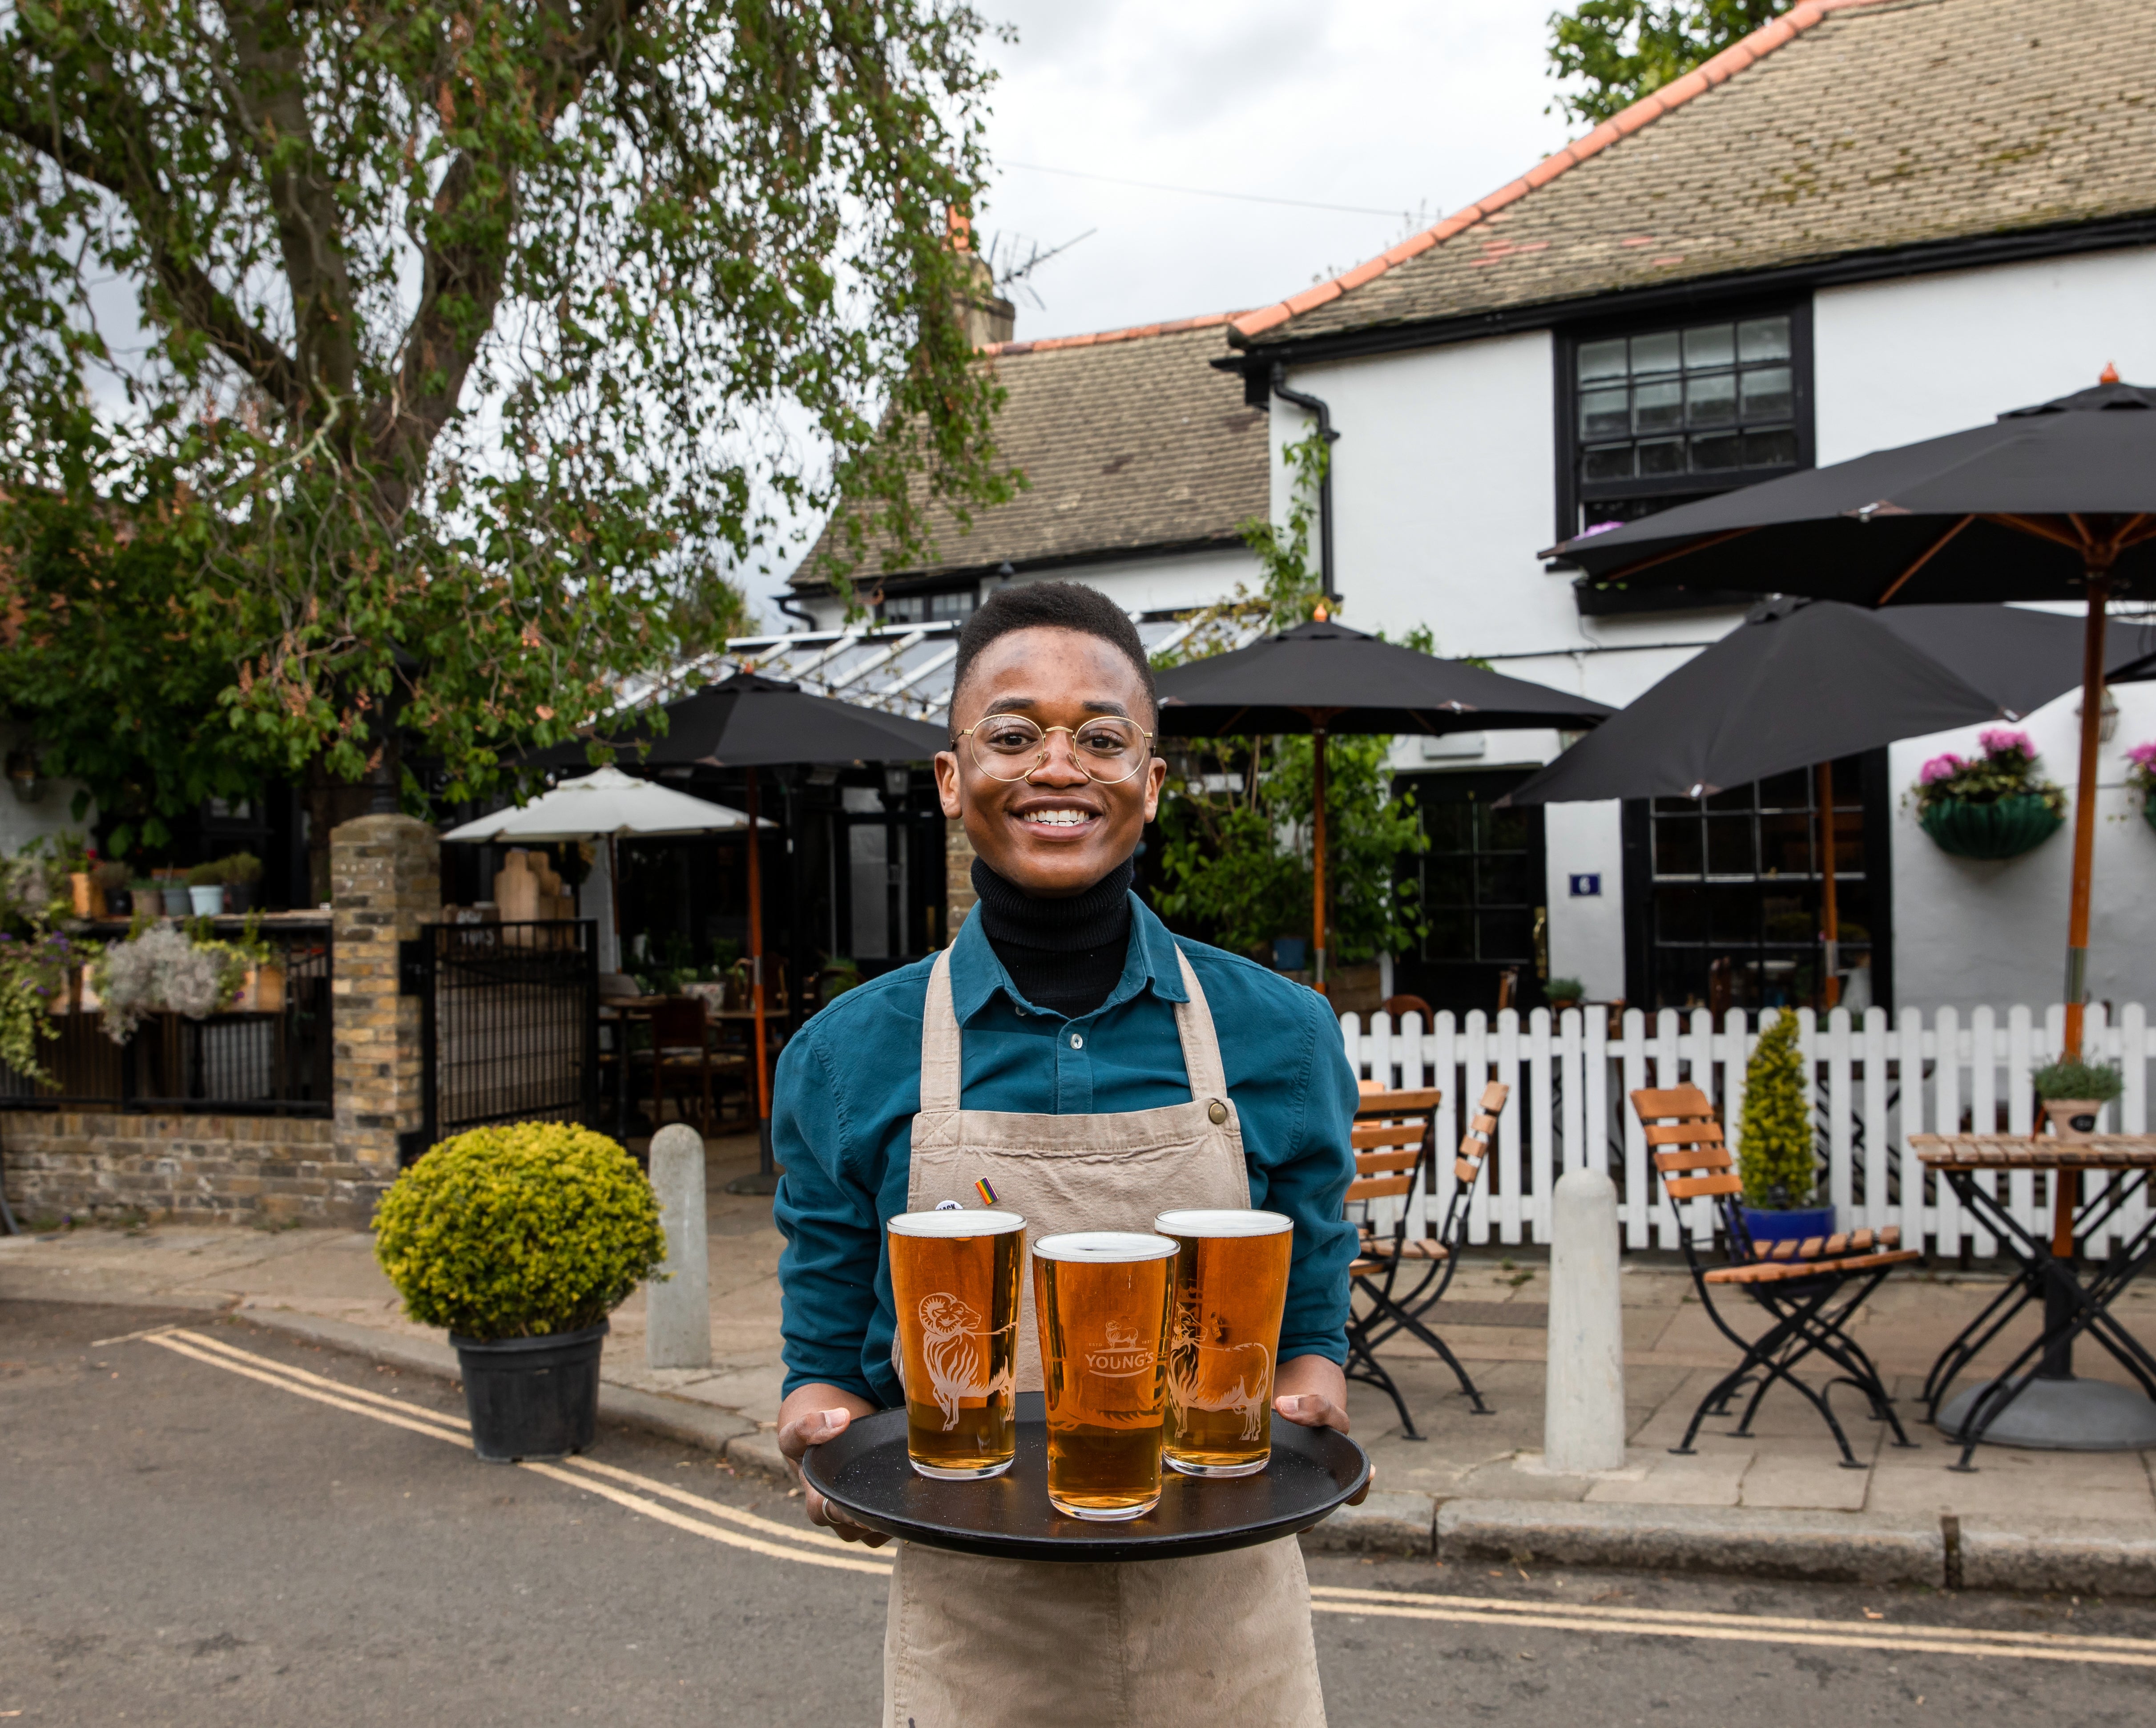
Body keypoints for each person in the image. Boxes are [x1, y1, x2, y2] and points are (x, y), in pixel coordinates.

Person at [773, 581, 1359, 1727]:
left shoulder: (1280, 1035)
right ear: (951, 780)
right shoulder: (849, 1056)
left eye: (1100, 736)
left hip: (1225, 1629)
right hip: (976, 1635)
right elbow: (825, 1365)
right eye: (1011, 734)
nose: (1057, 766)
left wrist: (1308, 1394)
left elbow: (1313, 1329)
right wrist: (822, 1434)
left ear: (1150, 783)